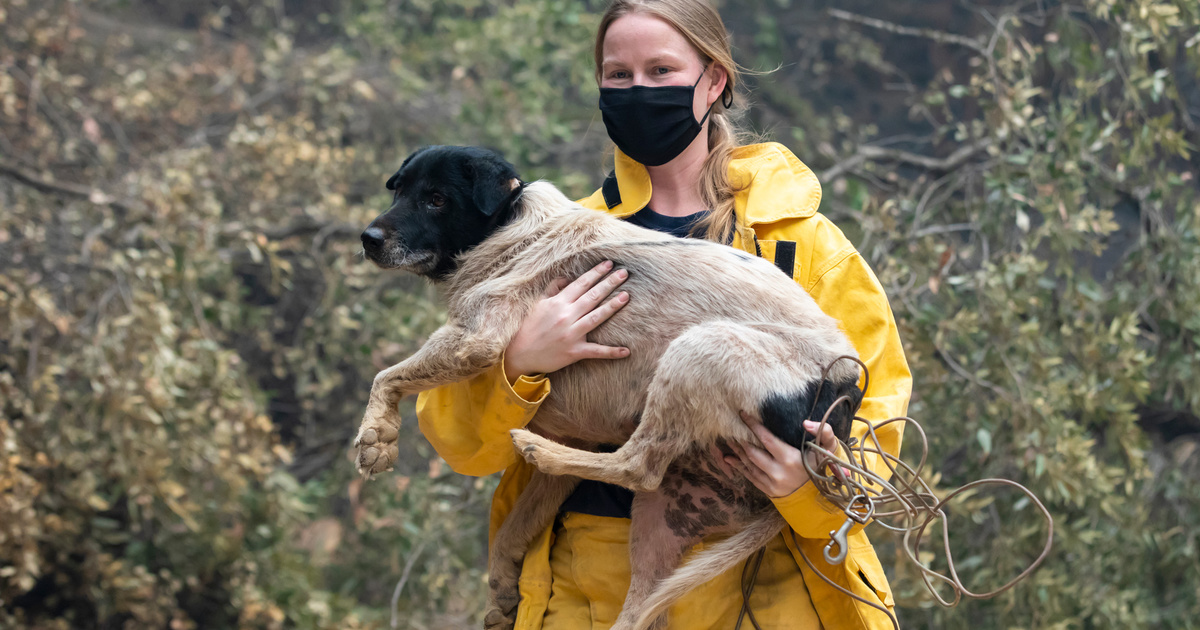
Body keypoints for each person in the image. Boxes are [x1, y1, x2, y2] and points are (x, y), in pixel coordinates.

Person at [416, 0, 911, 627]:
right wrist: (519, 363)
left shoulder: (803, 245)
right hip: (590, 591)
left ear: (714, 82)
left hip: (770, 595)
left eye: (660, 71)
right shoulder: (547, 242)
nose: (637, 91)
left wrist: (808, 489)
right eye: (617, 76)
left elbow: (875, 433)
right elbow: (462, 444)